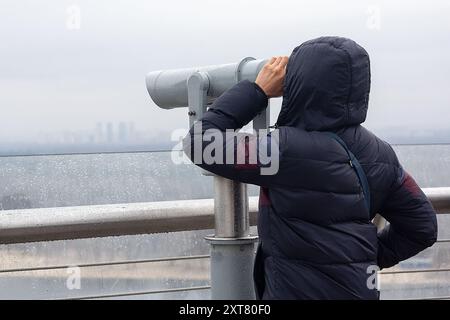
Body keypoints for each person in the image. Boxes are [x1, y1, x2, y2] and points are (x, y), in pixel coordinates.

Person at [183, 36, 438, 299]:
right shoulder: (380, 152)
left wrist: (257, 91)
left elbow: (201, 143)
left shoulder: (285, 149)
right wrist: (360, 259)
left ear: (299, 84)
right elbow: (423, 227)